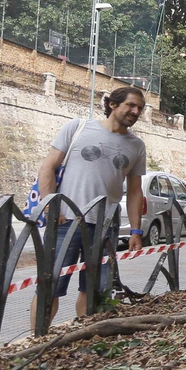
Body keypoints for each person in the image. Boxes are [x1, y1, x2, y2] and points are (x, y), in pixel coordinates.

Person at [30, 87, 148, 323]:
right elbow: (48, 167)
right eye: (131, 105)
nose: (136, 112)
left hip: (106, 226)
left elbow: (135, 191)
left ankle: (86, 338)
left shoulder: (136, 146)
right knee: (50, 286)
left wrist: (136, 230)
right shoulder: (78, 127)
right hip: (65, 221)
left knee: (95, 290)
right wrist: (50, 206)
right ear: (113, 105)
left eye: (140, 108)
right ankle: (36, 341)